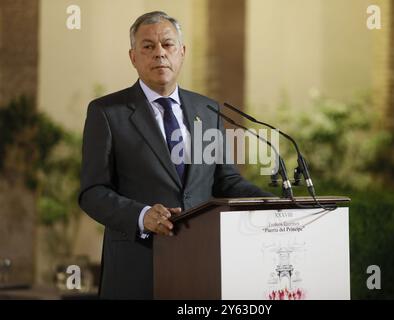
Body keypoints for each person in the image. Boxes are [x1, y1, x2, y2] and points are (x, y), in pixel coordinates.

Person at [78, 11, 272, 299]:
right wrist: (141, 216)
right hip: (137, 267)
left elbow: (225, 179)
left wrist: (269, 203)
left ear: (182, 52)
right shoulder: (107, 112)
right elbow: (92, 192)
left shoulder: (208, 110)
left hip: (202, 264)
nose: (159, 54)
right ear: (133, 57)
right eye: (148, 47)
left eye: (167, 45)